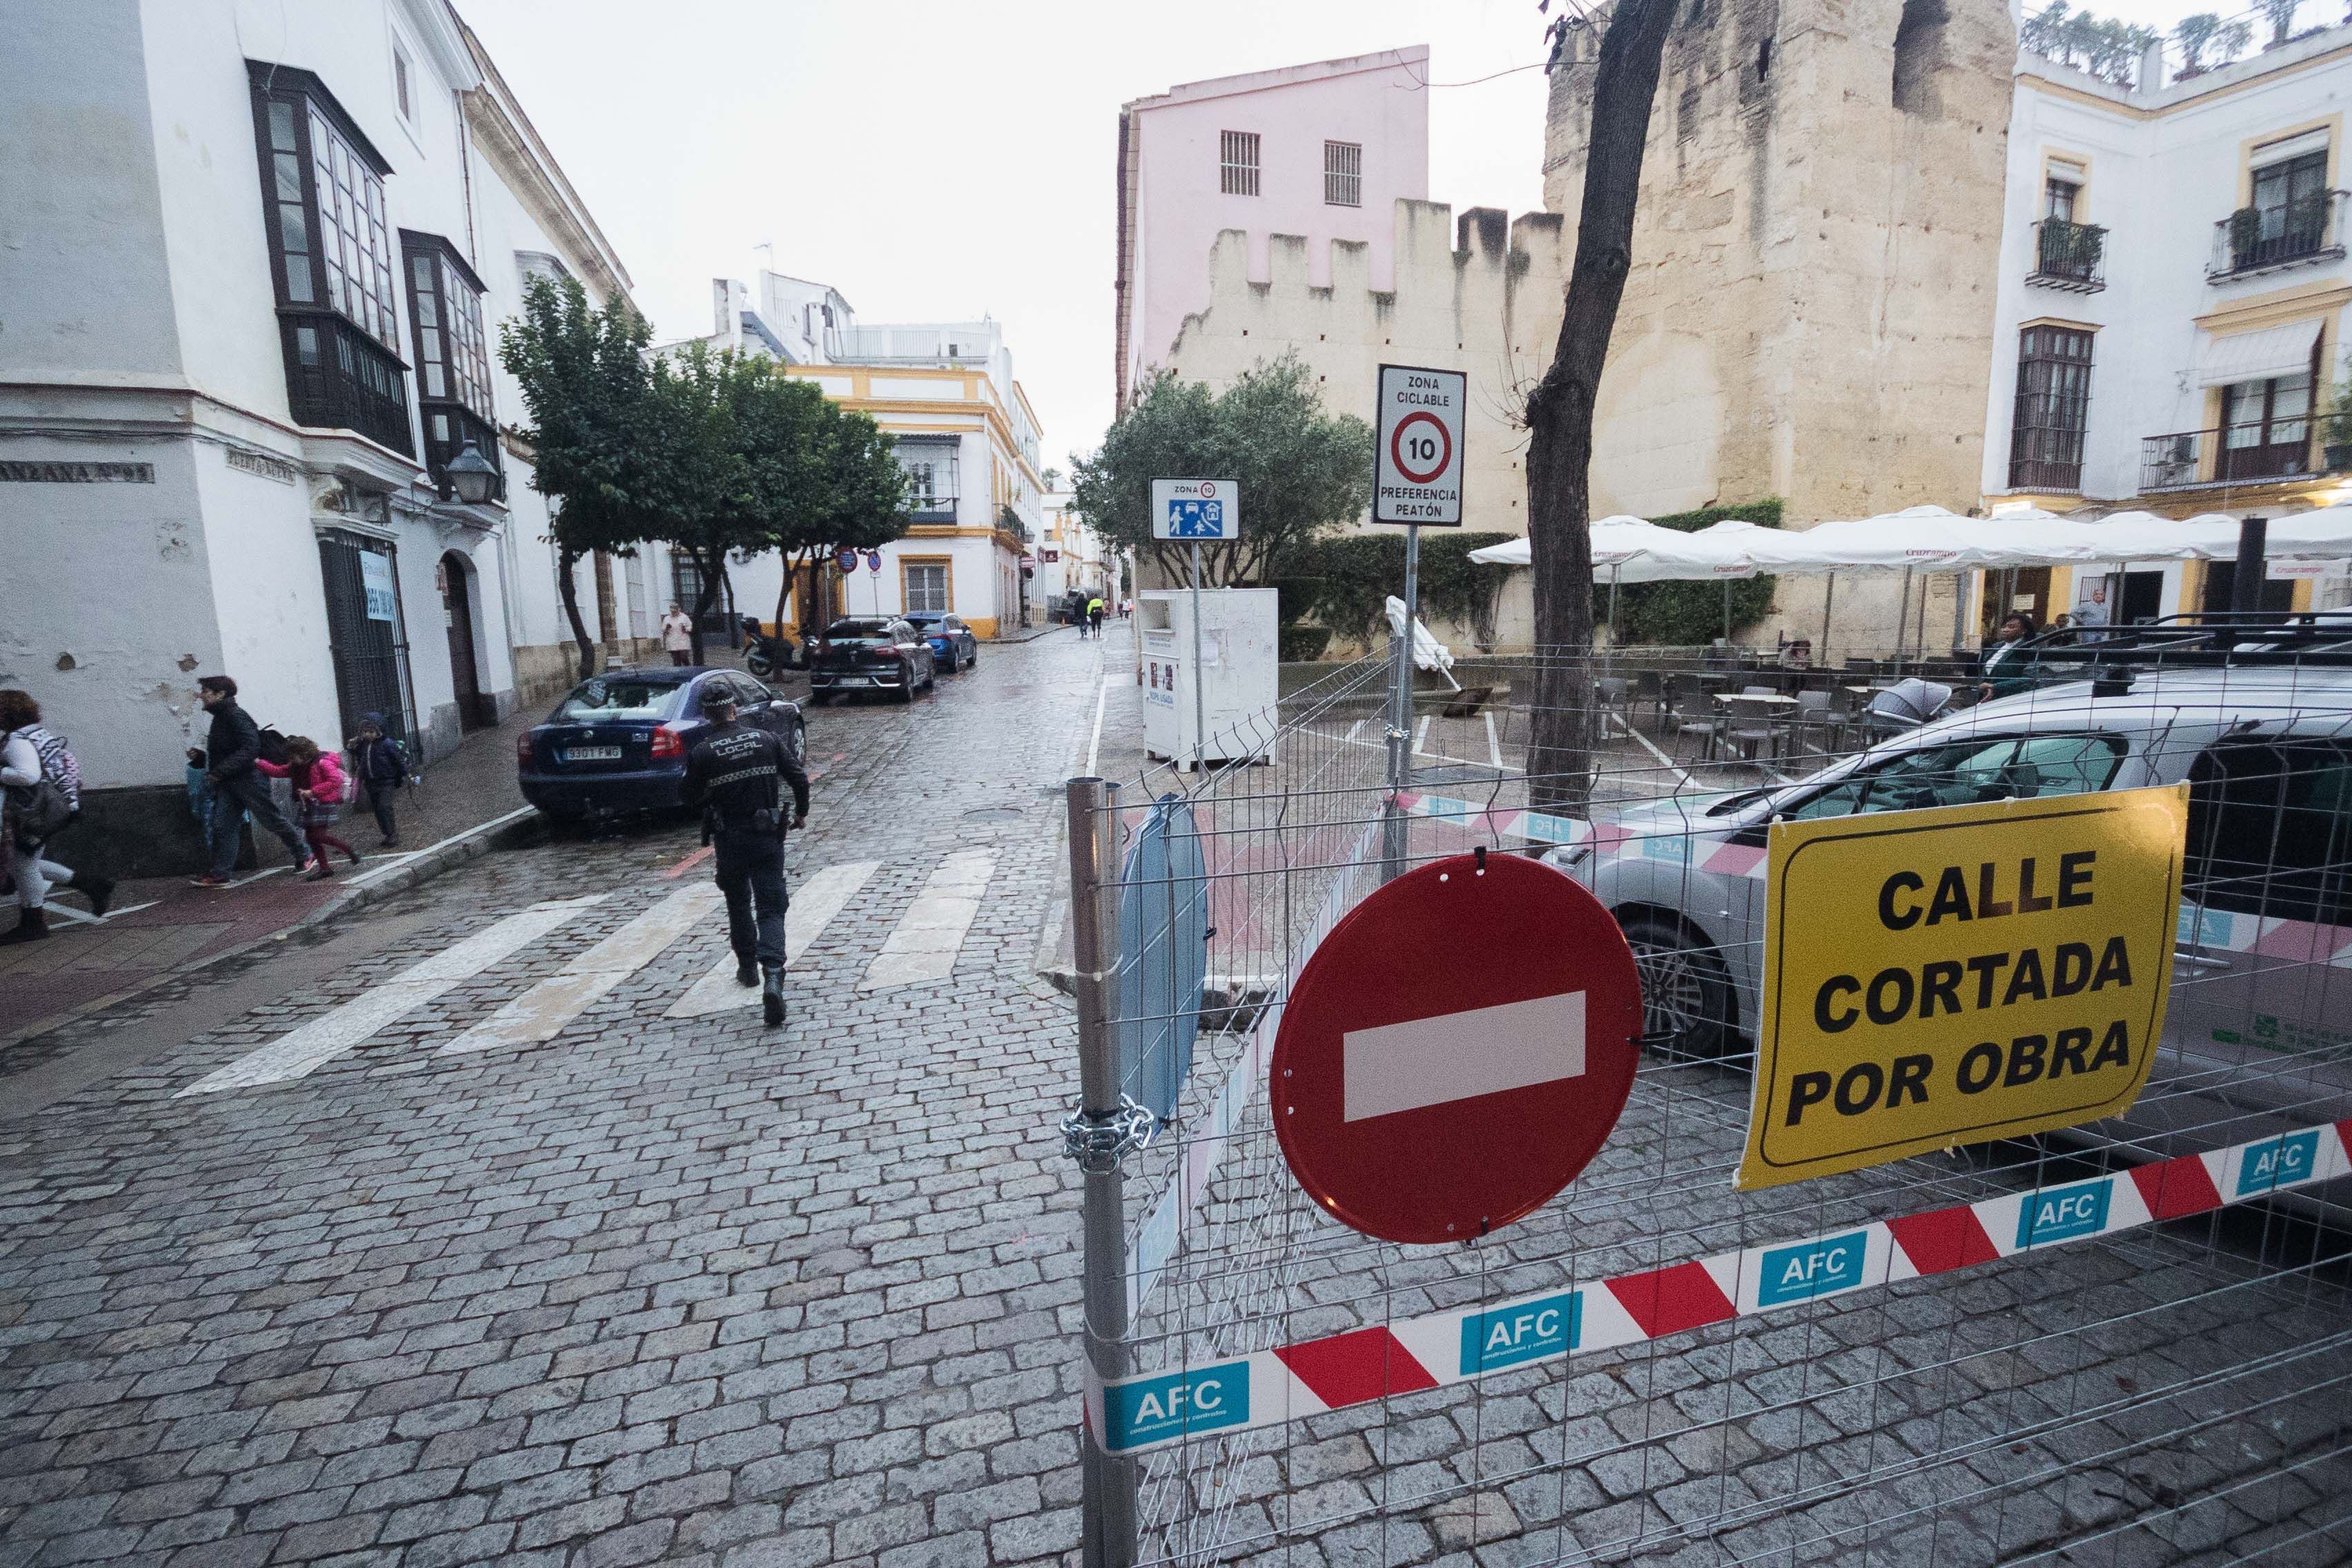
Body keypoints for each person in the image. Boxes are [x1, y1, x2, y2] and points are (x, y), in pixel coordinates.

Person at [683, 683, 809, 1028]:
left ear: (707, 715)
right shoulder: (766, 740)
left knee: (738, 902)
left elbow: (688, 796)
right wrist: (801, 812)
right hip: (768, 836)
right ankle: (773, 976)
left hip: (730, 839)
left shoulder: (703, 752)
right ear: (735, 709)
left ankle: (747, 969)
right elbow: (799, 776)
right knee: (771, 907)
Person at [1, 689, 111, 945]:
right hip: (48, 808)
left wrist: (2, 771)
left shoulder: (18, 740)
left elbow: (28, 775)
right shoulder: (36, 733)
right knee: (25, 862)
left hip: (31, 811)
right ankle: (92, 885)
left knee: (23, 864)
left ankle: (33, 923)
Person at [190, 675, 313, 888]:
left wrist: (221, 770)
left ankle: (304, 854)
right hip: (229, 780)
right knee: (224, 825)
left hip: (248, 778)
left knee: (271, 819)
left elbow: (250, 747)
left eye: (205, 692)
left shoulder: (235, 715)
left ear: (220, 694)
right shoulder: (221, 717)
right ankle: (221, 873)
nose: (201, 696)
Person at [259, 737, 359, 879]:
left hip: (322, 803)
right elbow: (278, 771)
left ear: (305, 753)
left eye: (294, 757)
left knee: (318, 836)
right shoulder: (296, 766)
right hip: (309, 804)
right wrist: (259, 763)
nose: (291, 760)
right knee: (311, 838)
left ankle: (346, 849)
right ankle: (325, 868)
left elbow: (334, 780)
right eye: (290, 757)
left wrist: (313, 792)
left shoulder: (322, 762)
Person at [345, 713, 411, 847]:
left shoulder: (387, 744)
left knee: (385, 806)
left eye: (371, 731)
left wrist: (407, 774)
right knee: (377, 809)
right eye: (365, 732)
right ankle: (387, 834)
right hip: (370, 782)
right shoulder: (363, 744)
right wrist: (351, 746)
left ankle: (393, 834)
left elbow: (397, 760)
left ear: (378, 731)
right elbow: (356, 755)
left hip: (386, 781)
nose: (367, 735)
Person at [660, 603, 696, 667]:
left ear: (678, 610)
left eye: (675, 611)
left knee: (684, 657)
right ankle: (679, 672)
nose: (674, 613)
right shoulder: (667, 618)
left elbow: (690, 626)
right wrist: (667, 628)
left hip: (683, 641)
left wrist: (685, 629)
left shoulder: (684, 617)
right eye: (672, 611)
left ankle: (688, 668)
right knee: (676, 660)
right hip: (672, 641)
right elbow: (663, 630)